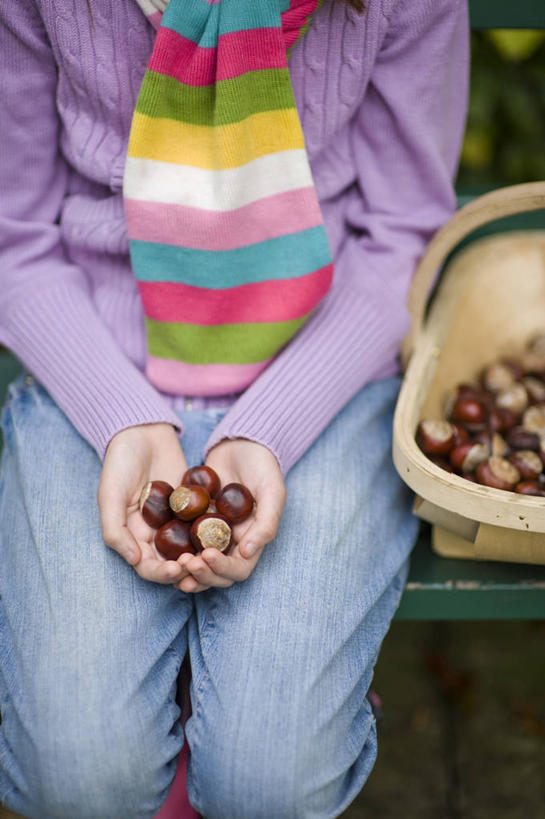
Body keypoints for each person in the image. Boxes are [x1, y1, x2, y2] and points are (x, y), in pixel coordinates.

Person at [0, 0, 469, 817]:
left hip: (324, 369)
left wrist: (270, 427)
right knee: (76, 775)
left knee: (270, 778)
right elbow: (15, 238)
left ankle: (242, 705)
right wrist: (119, 412)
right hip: (101, 356)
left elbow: (403, 232)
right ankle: (190, 702)